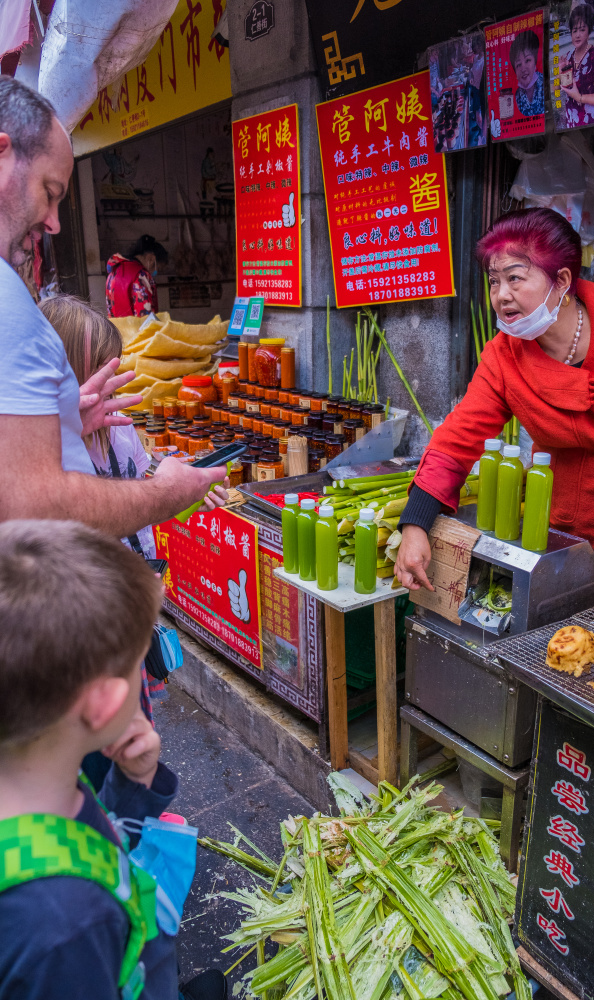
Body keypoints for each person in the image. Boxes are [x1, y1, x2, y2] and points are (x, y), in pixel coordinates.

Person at [0, 520, 226, 1000]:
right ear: (105, 703)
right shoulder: (66, 927)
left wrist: (133, 785)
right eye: (140, 660)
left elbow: (84, 837)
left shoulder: (36, 783)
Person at [395, 207, 594, 598]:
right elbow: (455, 443)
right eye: (493, 281)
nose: (501, 295)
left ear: (562, 280)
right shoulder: (504, 358)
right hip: (578, 523)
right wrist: (415, 524)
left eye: (515, 278)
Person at [0, 76, 227, 538]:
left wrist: (66, 424)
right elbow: (35, 508)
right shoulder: (9, 306)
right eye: (50, 191)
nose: (54, 223)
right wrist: (167, 493)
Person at [40, 293, 156, 559]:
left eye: (113, 365)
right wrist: (66, 429)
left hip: (134, 575)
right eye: (99, 367)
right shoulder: (37, 439)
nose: (111, 380)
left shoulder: (119, 425)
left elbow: (141, 495)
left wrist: (185, 496)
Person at [559, 3, 594, 129]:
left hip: (591, 123)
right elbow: (566, 88)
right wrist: (562, 74)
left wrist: (579, 97)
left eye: (582, 29)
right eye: (574, 30)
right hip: (572, 121)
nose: (577, 35)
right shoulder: (568, 57)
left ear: (589, 31)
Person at [106, 233, 168, 318]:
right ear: (151, 258)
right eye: (158, 268)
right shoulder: (140, 275)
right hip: (135, 330)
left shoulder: (113, 272)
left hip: (117, 329)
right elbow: (145, 316)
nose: (155, 272)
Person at [510, 30, 544, 118]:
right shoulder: (516, 96)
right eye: (518, 65)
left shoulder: (545, 85)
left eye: (527, 60)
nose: (523, 69)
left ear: (535, 63)